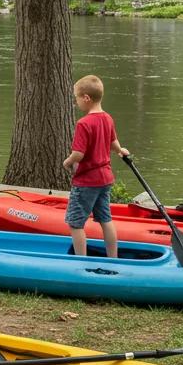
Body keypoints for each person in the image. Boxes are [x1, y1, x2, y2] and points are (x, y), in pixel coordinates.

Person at [62, 74, 130, 258]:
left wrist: (68, 162)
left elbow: (79, 154)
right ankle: (113, 258)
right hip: (105, 179)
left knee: (75, 223)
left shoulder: (84, 123)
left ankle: (81, 261)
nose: (76, 103)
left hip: (86, 181)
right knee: (106, 220)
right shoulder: (107, 118)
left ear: (86, 98)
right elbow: (113, 141)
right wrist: (120, 150)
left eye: (77, 98)